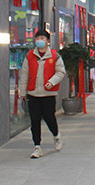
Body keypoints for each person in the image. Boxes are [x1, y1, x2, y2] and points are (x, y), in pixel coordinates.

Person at [20, 29, 65, 158]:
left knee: (49, 118)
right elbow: (24, 74)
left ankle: (56, 136)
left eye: (42, 38)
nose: (40, 41)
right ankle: (37, 147)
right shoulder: (30, 56)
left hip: (48, 94)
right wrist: (23, 92)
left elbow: (61, 72)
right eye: (38, 38)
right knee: (34, 121)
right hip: (33, 93)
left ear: (48, 41)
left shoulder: (55, 56)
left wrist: (52, 82)